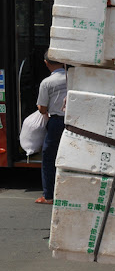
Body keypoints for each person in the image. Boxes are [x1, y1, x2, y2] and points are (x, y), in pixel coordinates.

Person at [35, 50, 67, 204]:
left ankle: (48, 196)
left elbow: (42, 108)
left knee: (49, 158)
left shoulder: (47, 82)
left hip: (56, 123)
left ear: (46, 63)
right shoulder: (73, 78)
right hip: (74, 122)